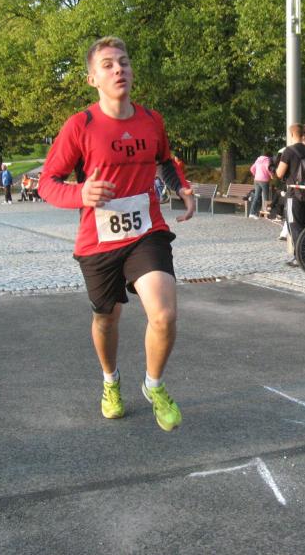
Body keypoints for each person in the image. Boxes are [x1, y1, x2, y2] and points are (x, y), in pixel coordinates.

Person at [38, 36, 195, 432]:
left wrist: (181, 187)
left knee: (164, 315)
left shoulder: (151, 119)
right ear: (92, 78)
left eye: (123, 62)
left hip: (146, 232)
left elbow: (165, 160)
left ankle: (154, 386)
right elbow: (47, 183)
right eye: (107, 65)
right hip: (99, 240)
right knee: (107, 319)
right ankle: (111, 381)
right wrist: (80, 193)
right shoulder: (80, 125)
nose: (118, 69)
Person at [276, 124, 305, 266]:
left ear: (291, 135)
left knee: (294, 224)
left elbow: (279, 173)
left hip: (293, 194)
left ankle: (299, 258)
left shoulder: (288, 151)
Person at [248, 151, 273, 218]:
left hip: (256, 180)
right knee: (265, 197)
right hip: (264, 180)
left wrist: (255, 174)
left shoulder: (258, 159)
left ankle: (252, 213)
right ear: (269, 156)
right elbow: (268, 168)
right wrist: (271, 175)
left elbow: (252, 169)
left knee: (256, 196)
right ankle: (265, 214)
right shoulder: (267, 160)